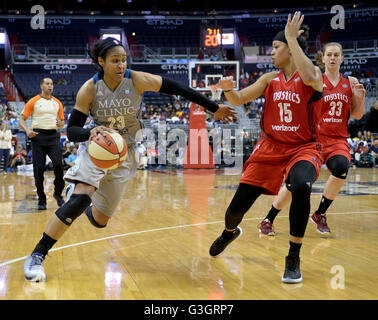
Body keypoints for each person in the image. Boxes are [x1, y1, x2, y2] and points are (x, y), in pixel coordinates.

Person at [23, 37, 237, 282]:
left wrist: (213, 107)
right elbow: (72, 131)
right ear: (101, 62)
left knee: (101, 221)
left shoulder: (137, 79)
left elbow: (178, 88)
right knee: (80, 198)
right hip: (98, 146)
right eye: (115, 60)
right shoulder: (89, 89)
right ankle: (38, 254)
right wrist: (90, 131)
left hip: (126, 152)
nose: (121, 65)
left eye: (124, 60)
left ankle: (84, 200)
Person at [209, 12, 324, 284]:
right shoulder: (269, 79)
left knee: (301, 186)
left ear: (290, 49)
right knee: (235, 211)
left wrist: (293, 39)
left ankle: (293, 255)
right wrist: (227, 90)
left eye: (275, 47)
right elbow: (238, 98)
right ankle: (228, 233)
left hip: (303, 148)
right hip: (270, 148)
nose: (271, 52)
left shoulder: (312, 75)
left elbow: (308, 73)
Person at [258, 41, 366, 235]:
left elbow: (357, 115)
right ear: (323, 59)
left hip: (337, 140)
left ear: (342, 58)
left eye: (336, 55)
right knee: (296, 184)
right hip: (313, 140)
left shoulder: (349, 82)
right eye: (329, 55)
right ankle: (269, 218)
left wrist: (360, 98)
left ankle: (320, 214)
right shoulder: (314, 80)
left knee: (342, 168)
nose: (332, 58)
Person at [19, 78, 66, 210]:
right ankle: (41, 198)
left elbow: (62, 121)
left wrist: (61, 124)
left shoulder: (57, 103)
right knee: (38, 169)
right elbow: (21, 119)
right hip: (38, 137)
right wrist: (27, 131)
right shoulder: (33, 101)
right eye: (47, 84)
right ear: (41, 86)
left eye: (51, 84)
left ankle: (58, 194)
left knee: (58, 165)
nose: (50, 86)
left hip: (53, 137)